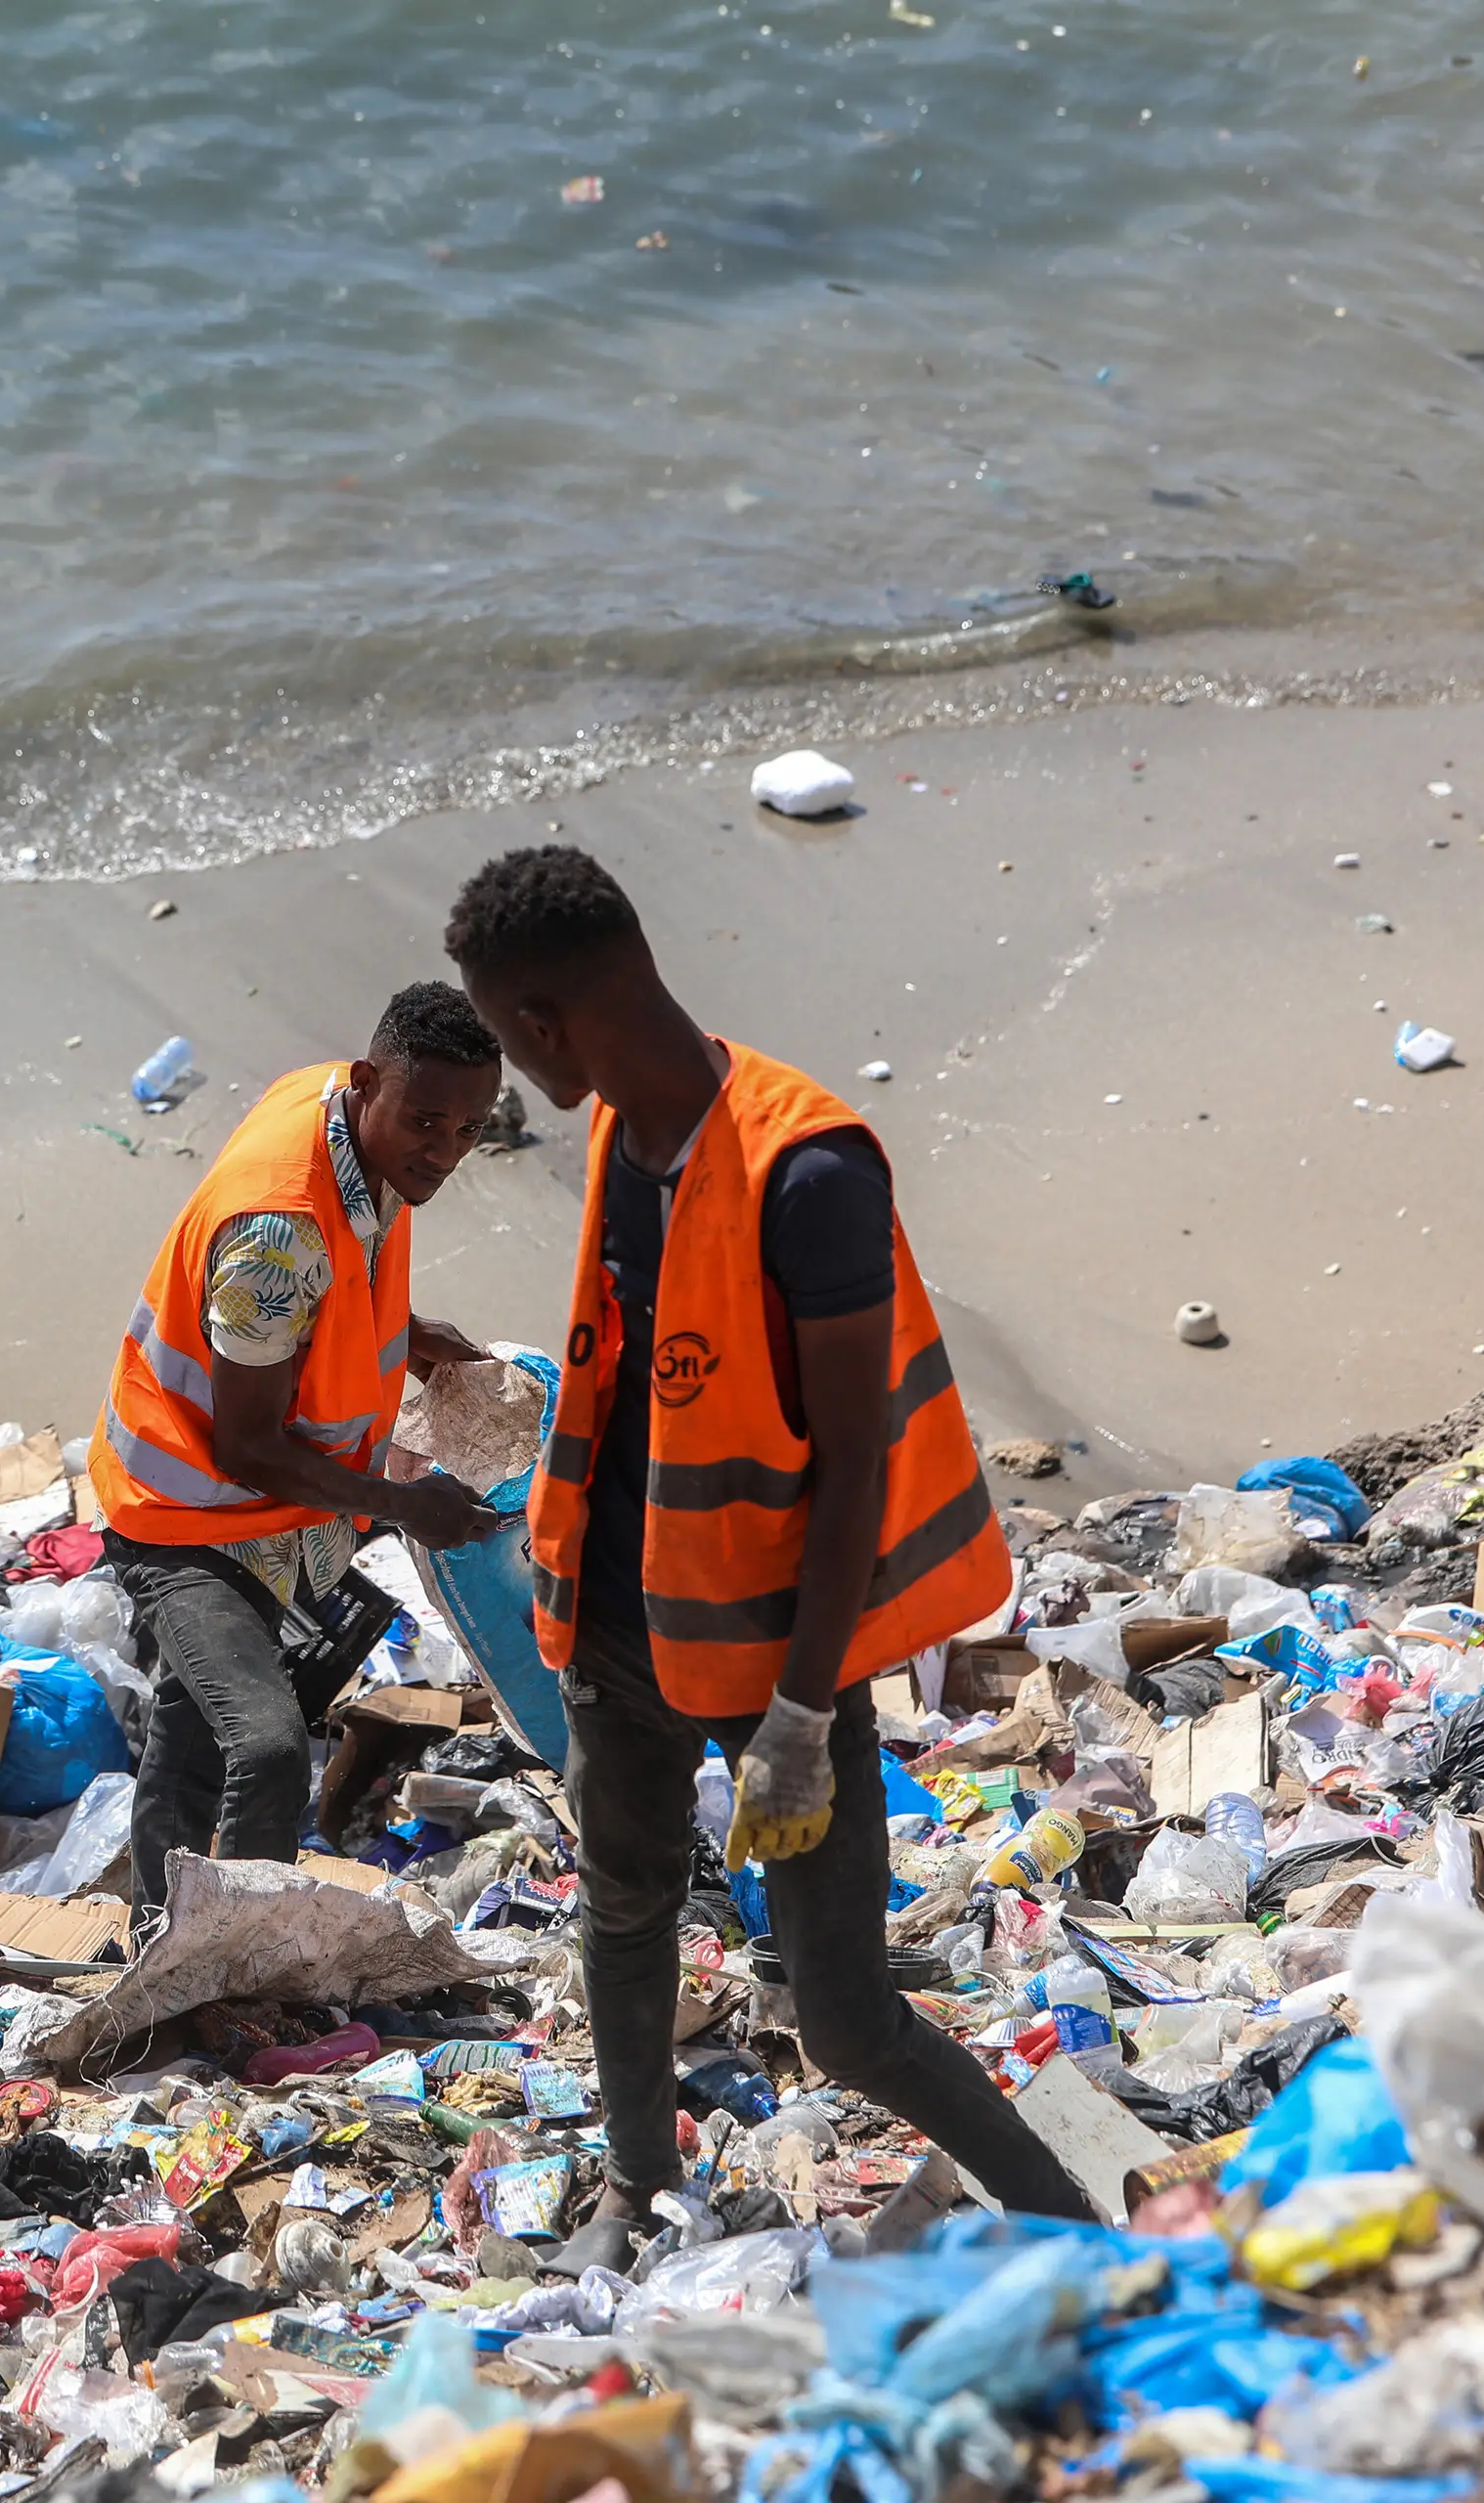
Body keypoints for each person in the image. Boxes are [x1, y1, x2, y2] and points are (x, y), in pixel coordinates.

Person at [442, 844, 1089, 2264]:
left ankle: (1066, 2216)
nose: (503, 1074)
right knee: (623, 1913)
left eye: (501, 1038)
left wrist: (803, 1712)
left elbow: (853, 1458)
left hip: (770, 1653)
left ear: (544, 1021)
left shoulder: (810, 1171)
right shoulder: (621, 1130)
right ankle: (632, 2189)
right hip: (617, 1622)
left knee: (845, 2012)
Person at [89, 982, 516, 1915]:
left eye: (470, 1129)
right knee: (268, 1742)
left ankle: (159, 1931)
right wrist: (405, 1506)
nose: (444, 1152)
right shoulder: (274, 1235)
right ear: (369, 1083)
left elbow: (325, 1294)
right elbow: (246, 1445)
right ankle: (241, 1962)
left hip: (254, 1500)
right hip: (187, 1509)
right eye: (427, 1122)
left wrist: (410, 1334)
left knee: (195, 1720)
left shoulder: (341, 1115)